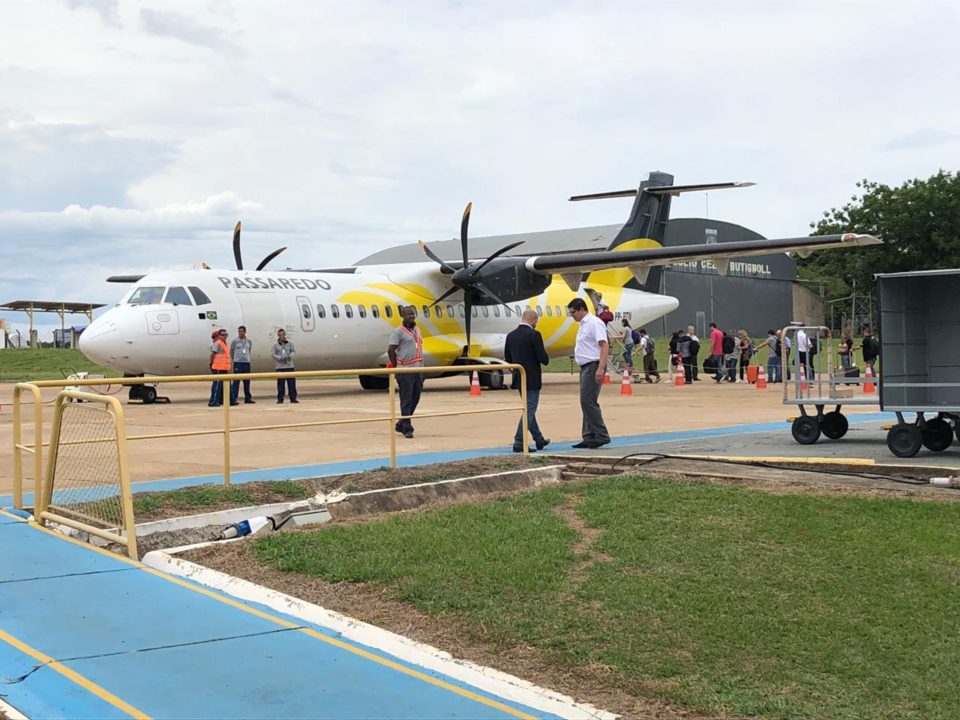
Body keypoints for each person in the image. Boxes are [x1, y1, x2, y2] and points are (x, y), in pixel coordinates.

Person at [566, 298, 610, 449]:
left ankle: (600, 434)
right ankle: (589, 435)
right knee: (585, 401)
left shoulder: (594, 323)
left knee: (588, 401)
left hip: (593, 365)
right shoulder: (583, 325)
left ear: (581, 309)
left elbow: (604, 345)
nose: (572, 316)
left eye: (573, 312)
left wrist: (601, 368)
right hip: (585, 366)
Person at [504, 309, 550, 452]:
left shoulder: (511, 335)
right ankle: (519, 441)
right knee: (529, 410)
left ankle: (538, 438)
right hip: (532, 378)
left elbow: (508, 357)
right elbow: (543, 358)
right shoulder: (534, 335)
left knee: (528, 409)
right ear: (533, 319)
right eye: (536, 321)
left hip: (519, 377)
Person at [387, 305, 423, 439]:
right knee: (406, 399)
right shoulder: (398, 332)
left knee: (416, 397)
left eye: (413, 314)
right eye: (408, 314)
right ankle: (407, 427)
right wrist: (397, 366)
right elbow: (391, 350)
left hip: (418, 368)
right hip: (405, 370)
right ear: (403, 316)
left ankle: (402, 422)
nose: (411, 317)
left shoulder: (417, 329)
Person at [229, 325, 255, 405]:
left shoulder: (249, 341)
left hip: (246, 363)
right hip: (238, 363)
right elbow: (231, 351)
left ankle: (248, 398)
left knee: (247, 381)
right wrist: (235, 359)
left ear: (245, 332)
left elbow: (249, 350)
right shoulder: (235, 341)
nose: (240, 333)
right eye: (239, 331)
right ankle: (234, 398)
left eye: (241, 331)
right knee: (236, 381)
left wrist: (246, 358)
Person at [271, 328, 298, 404]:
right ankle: (280, 398)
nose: (281, 336)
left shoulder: (290, 343)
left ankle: (293, 398)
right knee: (280, 384)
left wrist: (290, 356)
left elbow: (293, 351)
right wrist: (280, 358)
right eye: (280, 335)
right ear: (278, 336)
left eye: (283, 334)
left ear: (285, 335)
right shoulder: (275, 345)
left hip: (289, 366)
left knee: (291, 384)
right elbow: (273, 354)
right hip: (280, 366)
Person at [208, 328, 231, 407]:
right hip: (218, 367)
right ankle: (213, 401)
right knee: (217, 385)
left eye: (226, 335)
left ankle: (220, 400)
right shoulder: (218, 343)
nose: (225, 336)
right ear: (219, 336)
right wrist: (211, 363)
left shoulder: (224, 343)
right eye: (223, 335)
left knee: (221, 386)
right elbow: (212, 354)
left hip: (223, 368)